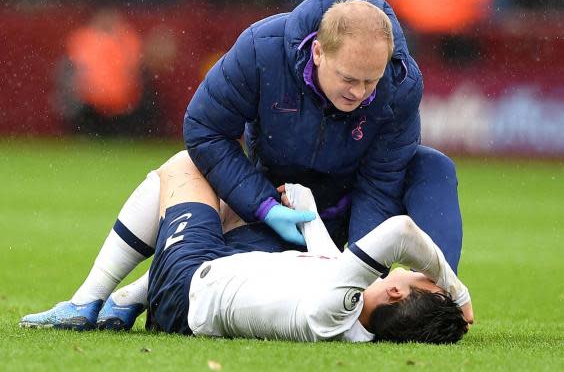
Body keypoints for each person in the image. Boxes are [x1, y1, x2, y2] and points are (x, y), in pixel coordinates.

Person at [21, 152, 472, 343]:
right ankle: (125, 302)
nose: (424, 274)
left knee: (188, 165)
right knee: (239, 206)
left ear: (397, 293)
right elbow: (325, 257)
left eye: (424, 281)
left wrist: (458, 290)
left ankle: (89, 301)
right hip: (206, 289)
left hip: (189, 285)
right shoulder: (351, 311)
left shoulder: (333, 309)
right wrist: (303, 203)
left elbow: (401, 230)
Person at [183, 0, 464, 272]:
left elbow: (381, 183)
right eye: (349, 79)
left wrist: (361, 271)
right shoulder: (260, 50)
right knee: (186, 170)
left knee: (433, 167)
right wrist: (264, 206)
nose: (359, 92)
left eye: (371, 81)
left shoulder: (400, 82)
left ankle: (437, 296)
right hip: (278, 203)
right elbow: (205, 128)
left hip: (348, 204)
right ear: (317, 52)